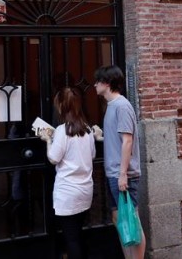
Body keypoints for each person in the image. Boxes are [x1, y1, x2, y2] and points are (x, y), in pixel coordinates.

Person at [93, 65, 146, 259]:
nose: (94, 85)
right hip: (115, 173)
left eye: (97, 81)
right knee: (119, 218)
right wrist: (102, 137)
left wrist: (123, 174)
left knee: (132, 221)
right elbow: (119, 140)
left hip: (123, 174)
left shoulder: (122, 106)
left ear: (107, 83)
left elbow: (128, 140)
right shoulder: (112, 106)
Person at [37, 87, 96, 259]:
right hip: (85, 190)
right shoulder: (87, 129)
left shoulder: (63, 131)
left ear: (62, 107)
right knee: (78, 233)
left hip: (68, 193)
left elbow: (53, 158)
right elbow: (92, 155)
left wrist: (48, 140)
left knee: (71, 238)